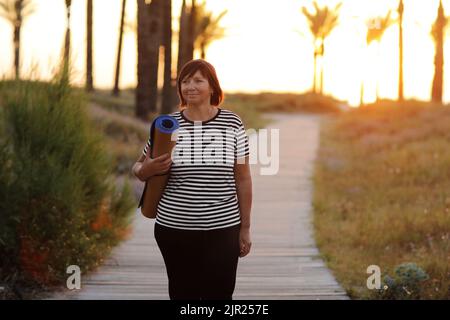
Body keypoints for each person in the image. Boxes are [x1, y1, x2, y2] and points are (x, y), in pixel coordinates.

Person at [132, 59, 253, 300]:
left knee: (219, 296)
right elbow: (138, 168)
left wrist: (245, 228)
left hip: (223, 227)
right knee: (182, 294)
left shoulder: (232, 123)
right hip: (174, 228)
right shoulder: (168, 125)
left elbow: (243, 179)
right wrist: (148, 168)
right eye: (185, 81)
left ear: (212, 87)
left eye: (198, 80)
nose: (190, 86)